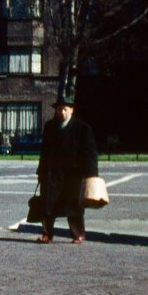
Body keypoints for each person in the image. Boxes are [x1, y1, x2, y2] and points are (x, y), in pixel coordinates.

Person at [35, 94, 98, 244]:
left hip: (73, 174)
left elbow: (90, 153)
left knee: (73, 206)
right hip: (52, 174)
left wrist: (91, 175)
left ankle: (78, 234)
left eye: (65, 109)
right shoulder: (50, 126)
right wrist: (41, 172)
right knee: (47, 205)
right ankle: (47, 234)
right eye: (59, 110)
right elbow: (44, 151)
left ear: (71, 110)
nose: (62, 113)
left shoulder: (83, 128)